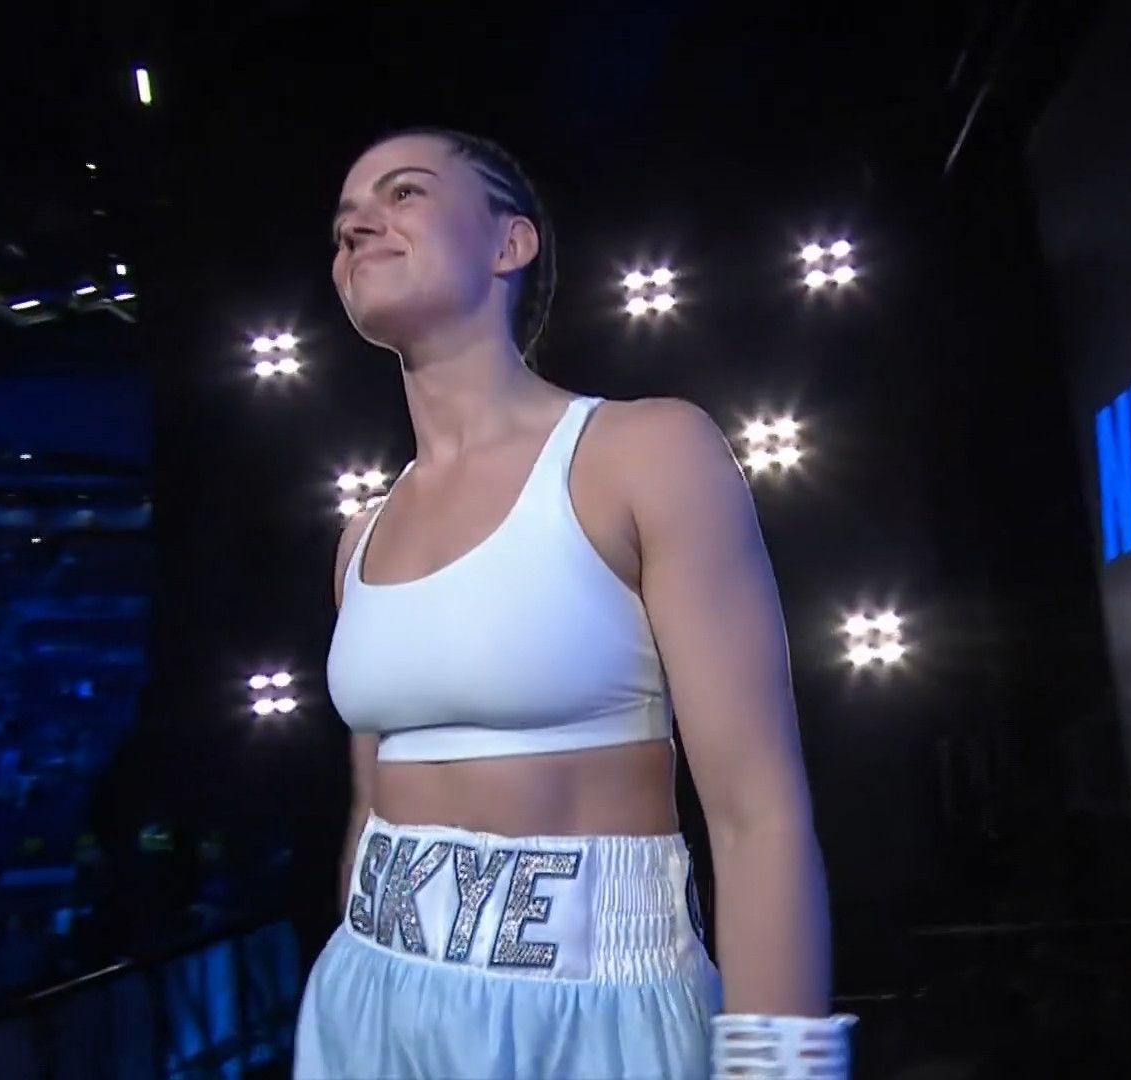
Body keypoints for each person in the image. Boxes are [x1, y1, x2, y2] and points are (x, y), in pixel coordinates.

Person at [294, 127, 856, 1080]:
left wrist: (779, 1072)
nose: (357, 227)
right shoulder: (360, 539)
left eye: (404, 194)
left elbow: (757, 814)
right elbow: (368, 804)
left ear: (509, 243)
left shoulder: (644, 453)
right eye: (345, 219)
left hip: (592, 1016)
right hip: (365, 1001)